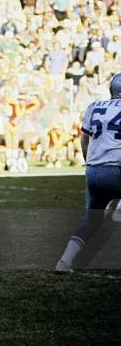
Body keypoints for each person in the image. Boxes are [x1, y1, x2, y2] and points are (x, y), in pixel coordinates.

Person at [56, 73, 121, 272]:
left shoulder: (94, 106)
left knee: (91, 223)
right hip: (117, 170)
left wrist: (89, 163)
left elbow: (84, 140)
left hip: (94, 171)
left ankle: (64, 262)